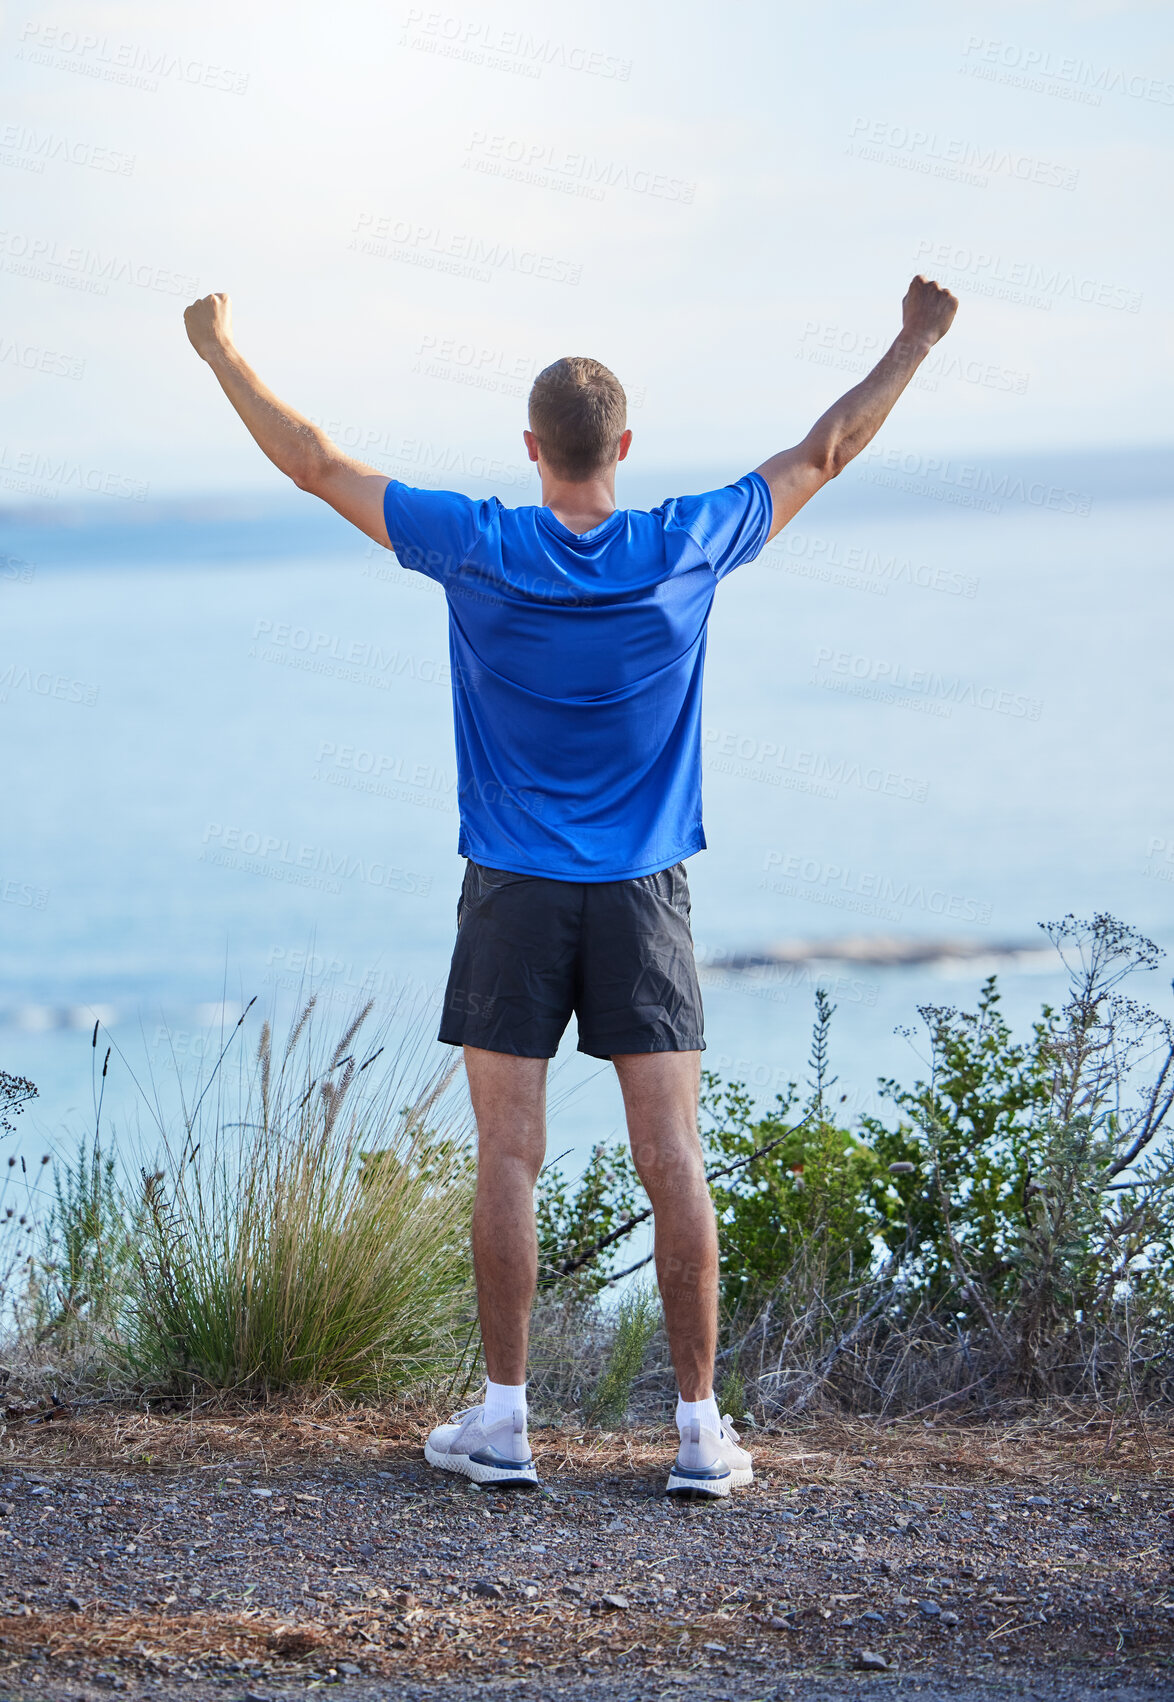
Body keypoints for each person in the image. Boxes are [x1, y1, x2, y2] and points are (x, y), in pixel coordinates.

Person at [183, 276, 958, 1497]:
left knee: (509, 1156)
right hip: (645, 893)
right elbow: (826, 448)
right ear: (627, 449)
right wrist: (910, 343)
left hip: (512, 892)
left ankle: (504, 1422)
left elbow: (316, 465)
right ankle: (699, 1433)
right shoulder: (685, 542)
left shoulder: (479, 544)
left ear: (533, 448)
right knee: (673, 1155)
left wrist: (221, 351)